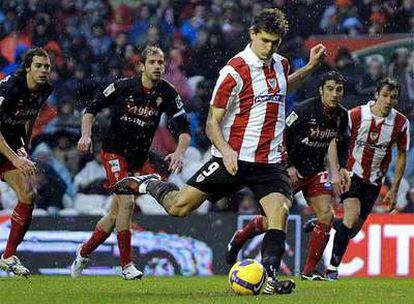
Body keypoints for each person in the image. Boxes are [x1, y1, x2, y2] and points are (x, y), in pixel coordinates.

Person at [113, 8, 326, 294]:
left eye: (275, 42)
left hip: (270, 162)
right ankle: (149, 183)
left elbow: (282, 88)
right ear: (252, 34)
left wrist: (310, 68)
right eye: (265, 40)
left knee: (280, 210)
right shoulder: (234, 71)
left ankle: (270, 279)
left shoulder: (280, 63)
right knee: (179, 207)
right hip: (232, 157)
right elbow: (212, 122)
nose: (270, 47)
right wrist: (225, 151)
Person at [70, 46, 191, 280]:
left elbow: (184, 127)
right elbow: (91, 109)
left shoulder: (167, 92)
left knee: (115, 214)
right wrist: (85, 135)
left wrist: (179, 151)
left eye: (161, 62)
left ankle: (84, 252)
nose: (158, 66)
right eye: (153, 62)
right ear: (141, 66)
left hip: (139, 157)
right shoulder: (122, 87)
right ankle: (126, 266)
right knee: (126, 204)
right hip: (114, 153)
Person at [225, 71, 351, 281]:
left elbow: (344, 140)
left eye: (339, 90)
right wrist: (288, 164)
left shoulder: (341, 115)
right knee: (271, 221)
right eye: (330, 89)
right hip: (287, 171)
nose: (334, 94)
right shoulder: (303, 110)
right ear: (320, 91)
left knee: (327, 216)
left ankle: (309, 272)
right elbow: (280, 135)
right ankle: (240, 237)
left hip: (314, 172)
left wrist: (343, 167)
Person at [324, 78, 409, 280]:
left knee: (352, 230)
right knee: (351, 215)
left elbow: (402, 155)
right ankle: (332, 270)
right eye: (385, 95)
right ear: (376, 95)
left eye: (394, 97)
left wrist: (394, 189)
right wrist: (337, 171)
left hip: (374, 182)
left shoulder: (401, 123)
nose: (389, 101)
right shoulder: (356, 115)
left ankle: (325, 223)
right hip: (352, 175)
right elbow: (333, 141)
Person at [0, 47, 52, 276]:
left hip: (11, 141)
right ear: (28, 67)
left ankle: (8, 256)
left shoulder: (45, 89)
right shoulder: (10, 87)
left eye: (47, 66)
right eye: (39, 66)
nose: (43, 70)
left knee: (29, 195)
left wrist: (25, 148)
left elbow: (31, 115)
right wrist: (15, 158)